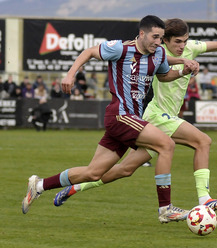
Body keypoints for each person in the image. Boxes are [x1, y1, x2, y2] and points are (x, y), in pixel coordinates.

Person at [53, 18, 217, 216]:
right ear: (164, 40)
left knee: (125, 169)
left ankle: (75, 188)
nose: (182, 46)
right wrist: (182, 64)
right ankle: (203, 199)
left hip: (164, 118)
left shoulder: (191, 48)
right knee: (203, 141)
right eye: (177, 42)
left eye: (185, 42)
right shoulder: (156, 52)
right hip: (155, 116)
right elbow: (161, 67)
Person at [22, 15, 198, 224]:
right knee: (166, 144)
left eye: (161, 38)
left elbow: (164, 75)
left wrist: (183, 71)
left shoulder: (158, 53)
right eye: (155, 37)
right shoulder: (120, 49)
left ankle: (40, 185)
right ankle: (165, 209)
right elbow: (89, 52)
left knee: (93, 173)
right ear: (142, 34)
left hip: (129, 119)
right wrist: (70, 74)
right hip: (120, 115)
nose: (158, 42)